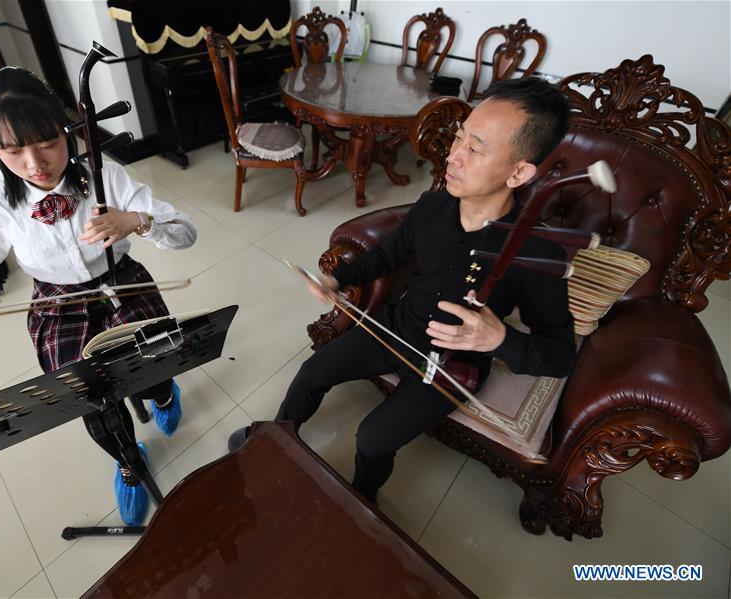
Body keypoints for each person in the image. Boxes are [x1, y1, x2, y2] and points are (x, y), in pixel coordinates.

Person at [229, 77, 577, 504]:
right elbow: (387, 253)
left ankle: (364, 498)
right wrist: (339, 278)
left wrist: (499, 340)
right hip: (396, 327)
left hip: (453, 365)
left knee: (373, 438)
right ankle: (274, 439)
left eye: (475, 148)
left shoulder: (535, 252)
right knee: (312, 372)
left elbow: (560, 354)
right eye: (459, 137)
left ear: (519, 172)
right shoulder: (434, 205)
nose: (453, 156)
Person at [0, 67, 197, 525]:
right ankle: (127, 459)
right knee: (89, 397)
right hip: (58, 304)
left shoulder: (105, 175)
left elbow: (185, 233)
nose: (35, 164)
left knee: (153, 363)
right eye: (13, 151)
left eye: (47, 143)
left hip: (122, 282)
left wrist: (136, 221)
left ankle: (162, 392)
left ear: (66, 132)